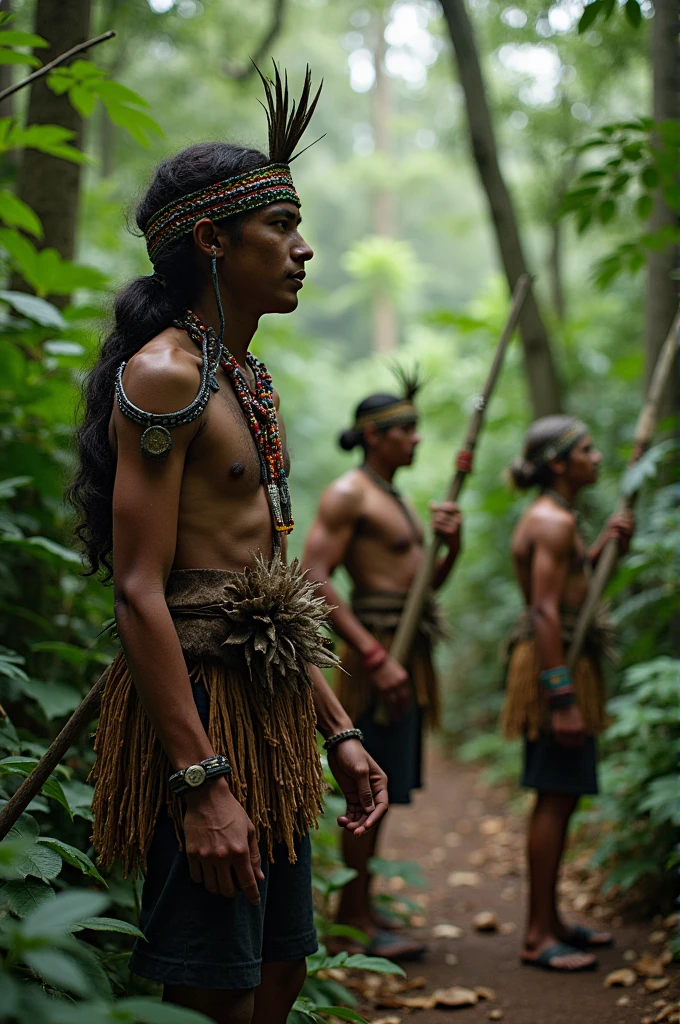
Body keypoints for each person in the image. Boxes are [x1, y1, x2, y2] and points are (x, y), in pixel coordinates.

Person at [68, 66, 388, 1024]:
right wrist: (200, 780)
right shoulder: (164, 377)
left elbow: (269, 581)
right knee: (215, 983)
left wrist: (338, 726)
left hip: (272, 697)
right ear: (211, 240)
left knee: (280, 966)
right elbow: (138, 588)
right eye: (279, 230)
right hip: (202, 708)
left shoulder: (244, 378)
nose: (304, 249)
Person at [302, 377, 462, 959]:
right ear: (374, 435)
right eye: (406, 430)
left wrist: (453, 548)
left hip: (405, 652)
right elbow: (314, 577)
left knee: (386, 779)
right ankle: (352, 916)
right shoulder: (350, 493)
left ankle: (362, 910)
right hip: (377, 657)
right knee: (368, 781)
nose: (417, 440)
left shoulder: (391, 497)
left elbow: (422, 591)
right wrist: (372, 656)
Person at [501, 415, 634, 973]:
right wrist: (561, 699)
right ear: (559, 463)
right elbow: (544, 610)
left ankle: (552, 921)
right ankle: (535, 935)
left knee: (562, 794)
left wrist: (609, 547)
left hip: (565, 664)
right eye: (586, 449)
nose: (597, 457)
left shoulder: (561, 519)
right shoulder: (551, 521)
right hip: (556, 670)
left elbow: (573, 583)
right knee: (553, 796)